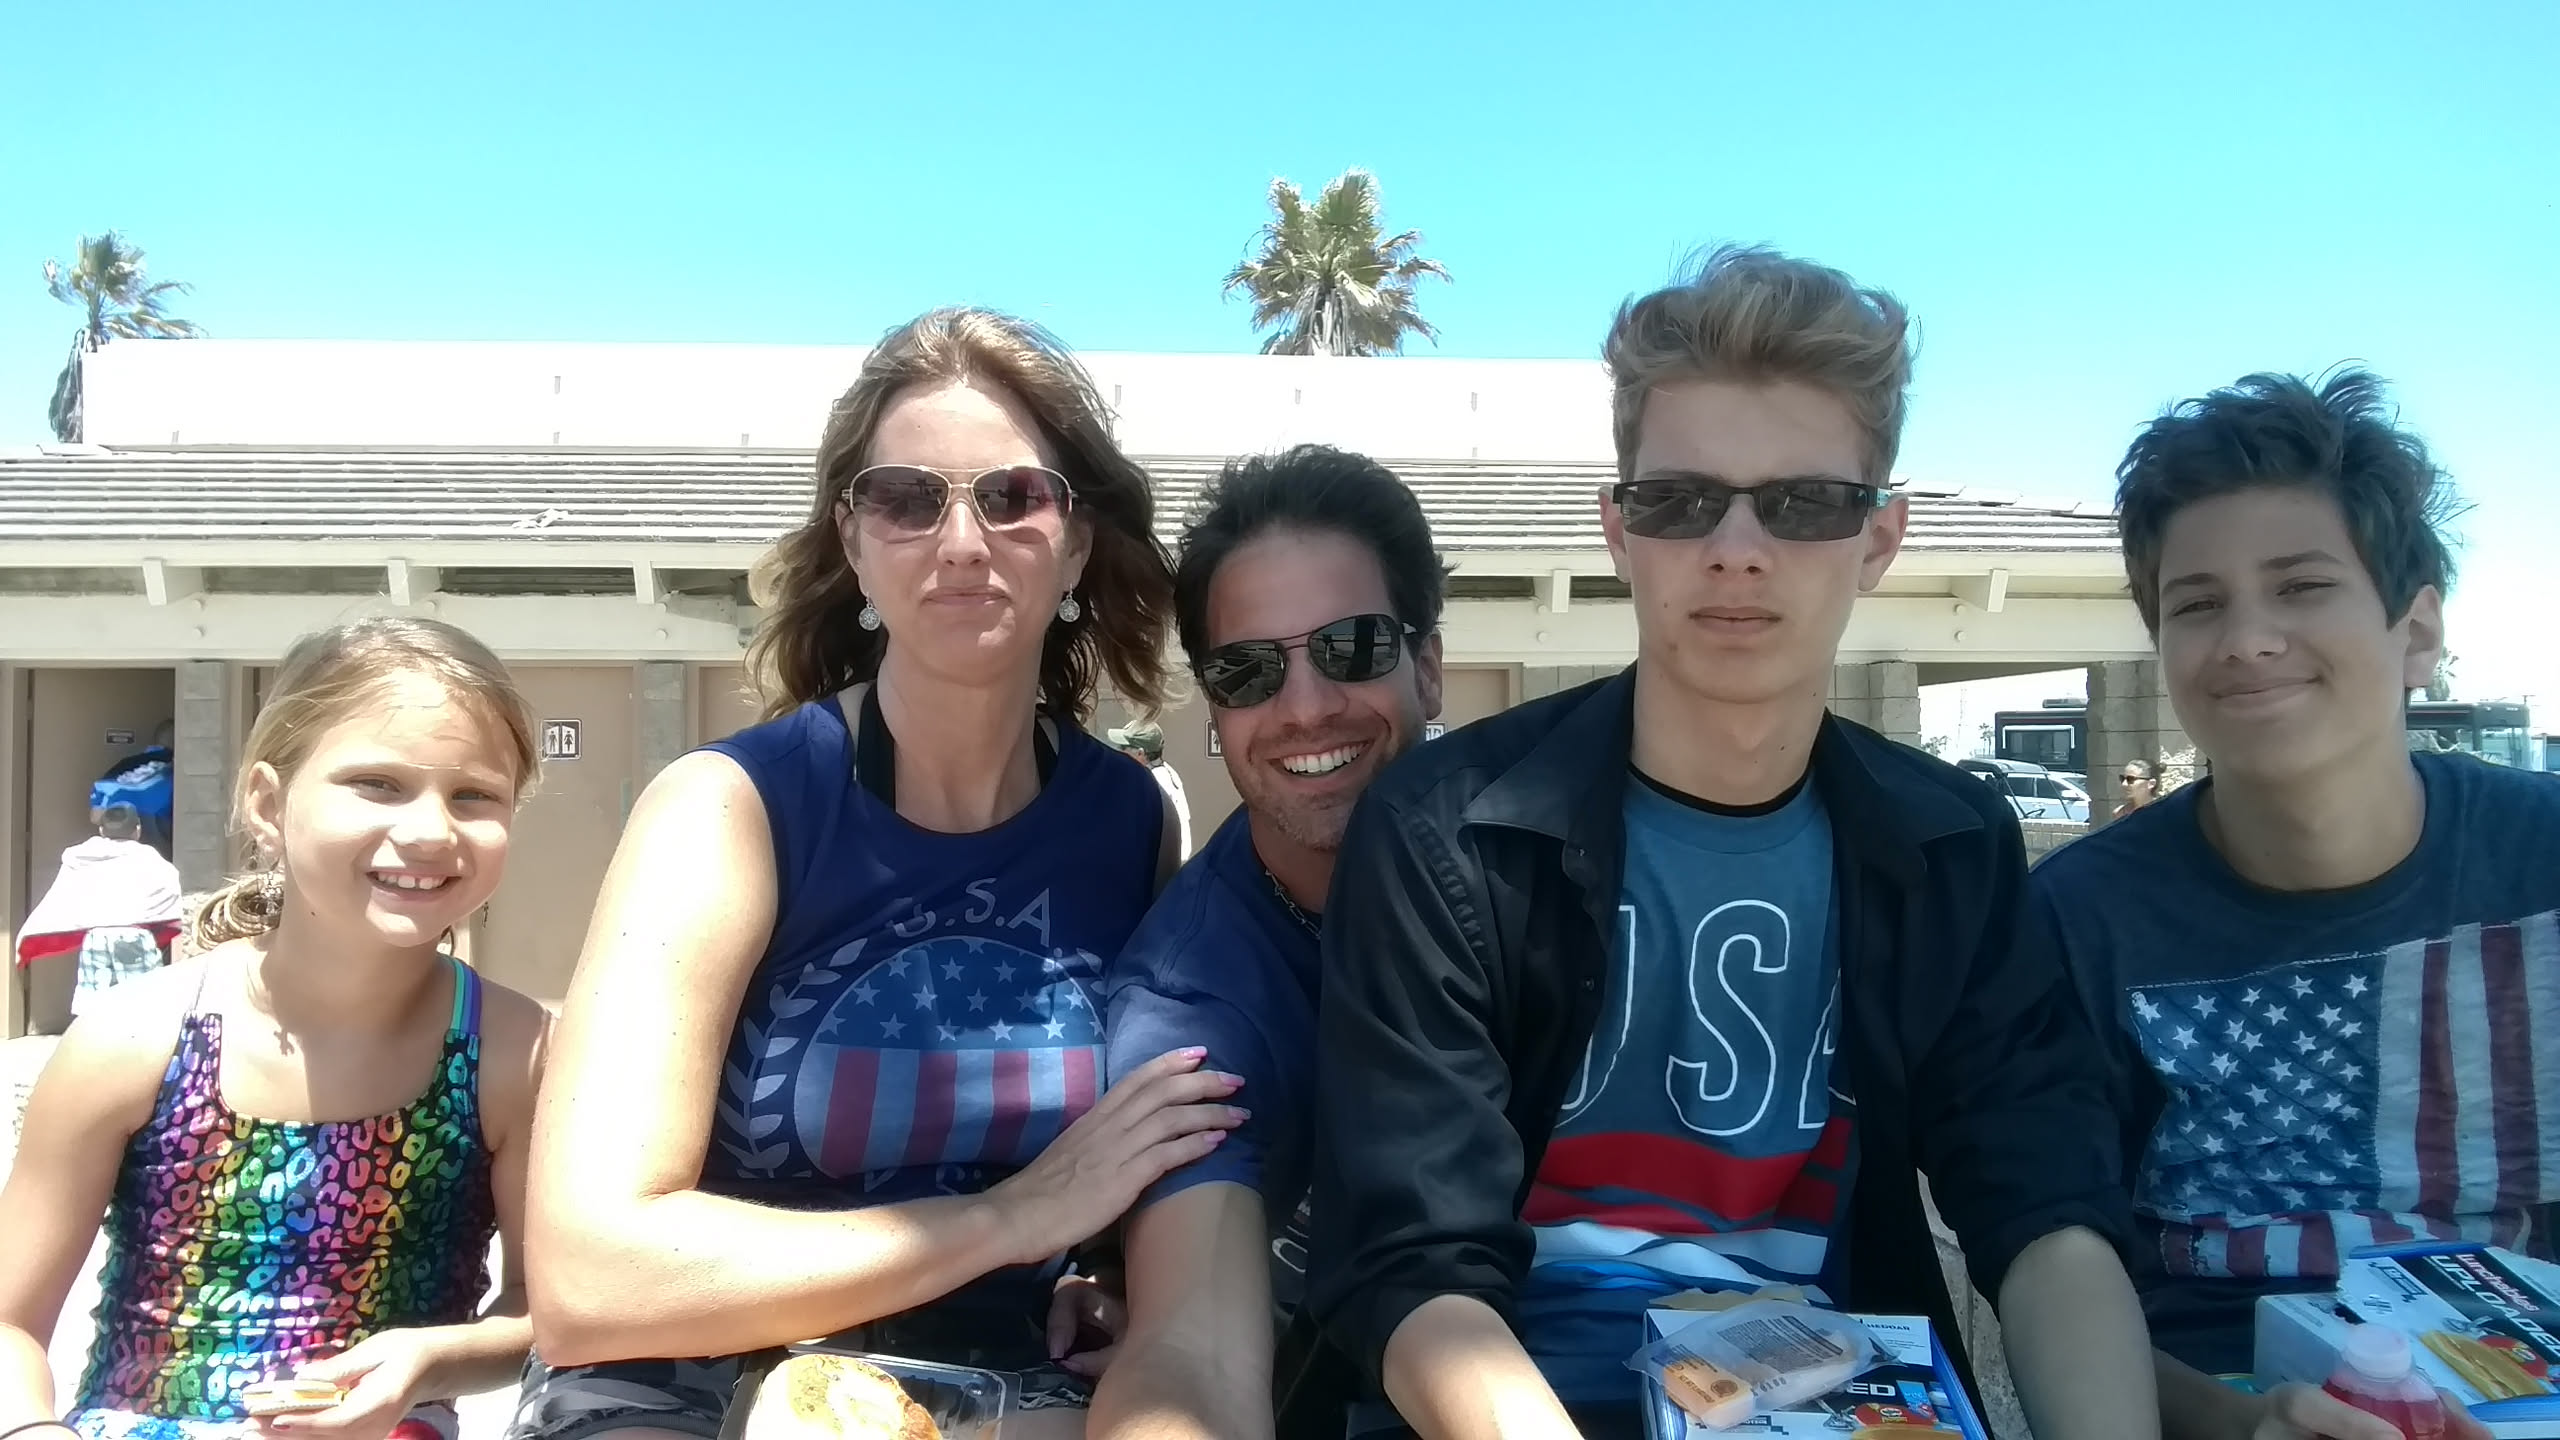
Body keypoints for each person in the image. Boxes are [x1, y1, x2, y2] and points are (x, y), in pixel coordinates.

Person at [1305, 247, 2159, 1440]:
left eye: (1804, 503)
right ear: (1618, 530)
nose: (1737, 547)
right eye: (1680, 500)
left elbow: (2043, 1203)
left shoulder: (1953, 847)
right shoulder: (1442, 834)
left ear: (1879, 538)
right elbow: (1412, 1264)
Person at [515, 308, 1241, 1440]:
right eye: (908, 499)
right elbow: (590, 1278)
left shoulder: (1130, 822)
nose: (962, 541)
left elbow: (1125, 1158)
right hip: (702, 1384)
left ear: (1076, 546)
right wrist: (1016, 1219)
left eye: (1014, 495)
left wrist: (1103, 1270)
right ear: (854, 543)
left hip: (996, 1383)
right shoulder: (728, 811)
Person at [2035, 371, 2542, 1440]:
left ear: (2417, 631)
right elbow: (2055, 1262)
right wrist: (2239, 1425)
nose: (2247, 639)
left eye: (2302, 586)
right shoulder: (2076, 918)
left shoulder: (2541, 860)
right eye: (2197, 604)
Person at [0, 616, 554, 1440]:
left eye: (473, 795)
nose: (431, 830)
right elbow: (9, 1320)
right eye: (378, 783)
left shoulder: (516, 1054)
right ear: (268, 802)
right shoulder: (137, 1038)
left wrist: (428, 1362)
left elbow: (548, 1308)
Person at [1089, 446, 1447, 1440]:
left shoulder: (1555, 859)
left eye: (1352, 647)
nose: (1305, 709)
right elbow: (1189, 1351)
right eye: (1247, 671)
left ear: (1428, 667)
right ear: (1216, 709)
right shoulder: (1189, 1000)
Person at [13, 804, 183, 1025]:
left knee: (94, 1002)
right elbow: (170, 888)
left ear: (101, 830)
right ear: (138, 830)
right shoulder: (147, 857)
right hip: (133, 935)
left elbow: (62, 894)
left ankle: (94, 1041)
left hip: (96, 936)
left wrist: (31, 932)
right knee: (142, 999)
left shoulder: (82, 856)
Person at [1110, 720, 1194, 861]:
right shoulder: (1165, 773)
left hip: (1162, 865)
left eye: (1123, 747)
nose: (1118, 751)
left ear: (1140, 753)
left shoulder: (1154, 782)